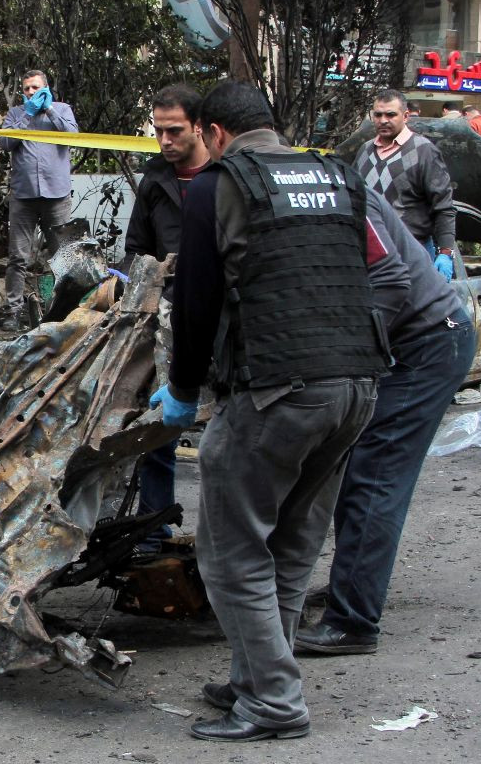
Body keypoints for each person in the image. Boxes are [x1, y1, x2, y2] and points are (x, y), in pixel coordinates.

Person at [153, 81, 388, 741]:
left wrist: (181, 389)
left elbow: (196, 304)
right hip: (357, 386)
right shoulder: (336, 175)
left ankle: (276, 703)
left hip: (278, 390)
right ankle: (255, 677)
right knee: (289, 543)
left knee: (230, 554)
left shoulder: (216, 186)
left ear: (213, 132)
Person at [295, 191, 476, 655]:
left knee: (373, 480)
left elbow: (391, 279)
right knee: (347, 471)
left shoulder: (336, 193)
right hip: (398, 344)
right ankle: (348, 589)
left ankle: (353, 622)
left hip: (427, 344)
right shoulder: (301, 192)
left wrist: (347, 351)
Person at [122, 83, 210, 550]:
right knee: (158, 425)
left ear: (200, 127)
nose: (165, 141)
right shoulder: (156, 179)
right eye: (158, 131)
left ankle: (227, 536)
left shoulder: (225, 175)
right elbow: (137, 249)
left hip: (218, 315)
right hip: (169, 317)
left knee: (225, 428)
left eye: (174, 131)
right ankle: (153, 525)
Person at [0, 69, 79, 331]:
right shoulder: (16, 114)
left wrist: (50, 111)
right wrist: (28, 113)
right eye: (27, 89)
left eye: (35, 88)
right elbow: (6, 143)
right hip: (24, 196)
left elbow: (73, 137)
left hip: (57, 195)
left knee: (63, 256)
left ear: (46, 88)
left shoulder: (62, 110)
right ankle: (12, 313)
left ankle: (63, 311)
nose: (31, 93)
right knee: (17, 257)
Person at [355, 90, 457, 282]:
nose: (383, 120)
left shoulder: (424, 151)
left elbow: (443, 206)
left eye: (390, 114)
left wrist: (445, 252)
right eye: (378, 115)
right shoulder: (365, 151)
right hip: (371, 254)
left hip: (412, 253)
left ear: (406, 116)